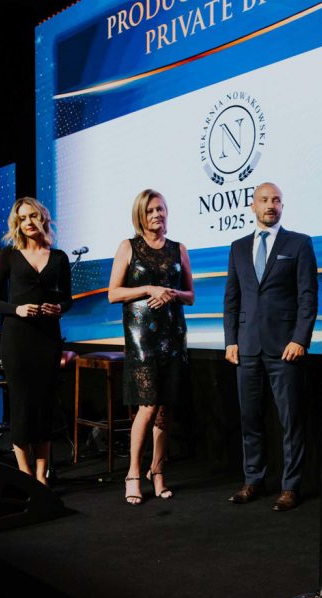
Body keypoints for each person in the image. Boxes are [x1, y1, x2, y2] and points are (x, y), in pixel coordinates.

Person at [224, 182, 317, 511]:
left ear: (282, 205)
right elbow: (232, 299)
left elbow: (308, 296)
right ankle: (253, 480)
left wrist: (300, 338)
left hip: (285, 348)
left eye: (276, 200)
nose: (270, 205)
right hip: (246, 347)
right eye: (264, 199)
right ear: (253, 205)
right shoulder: (237, 247)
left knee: (291, 421)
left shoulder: (299, 243)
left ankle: (290, 486)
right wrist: (230, 340)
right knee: (250, 418)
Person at [107, 189, 194, 505]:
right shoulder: (128, 247)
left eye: (160, 209)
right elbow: (114, 294)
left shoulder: (178, 249)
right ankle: (133, 473)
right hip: (142, 338)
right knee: (147, 405)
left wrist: (171, 293)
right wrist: (148, 288)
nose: (157, 214)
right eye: (150, 210)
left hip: (173, 336)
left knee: (166, 407)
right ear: (140, 216)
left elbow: (190, 296)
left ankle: (157, 471)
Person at [0, 197, 72, 485]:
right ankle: (24, 474)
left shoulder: (59, 257)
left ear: (43, 218)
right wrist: (17, 309)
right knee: (22, 406)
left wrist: (59, 308)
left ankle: (41, 475)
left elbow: (67, 299)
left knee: (45, 406)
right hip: (17, 340)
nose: (29, 222)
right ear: (17, 223)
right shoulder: (8, 256)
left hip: (48, 339)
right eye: (23, 218)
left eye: (33, 216)